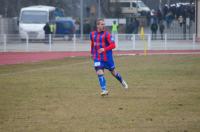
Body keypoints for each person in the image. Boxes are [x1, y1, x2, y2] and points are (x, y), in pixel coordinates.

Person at [90, 18, 128, 96]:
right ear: (98, 25)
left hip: (107, 57)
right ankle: (104, 90)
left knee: (113, 72)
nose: (103, 25)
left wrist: (104, 49)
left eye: (104, 24)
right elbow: (93, 44)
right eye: (102, 24)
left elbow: (113, 45)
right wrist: (92, 53)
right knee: (99, 72)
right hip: (97, 57)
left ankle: (122, 81)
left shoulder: (107, 34)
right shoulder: (92, 34)